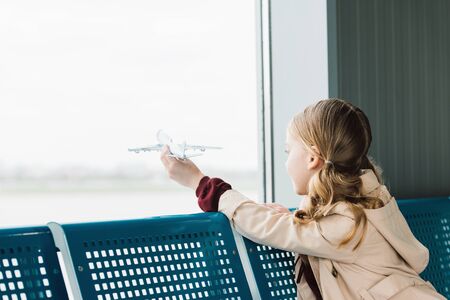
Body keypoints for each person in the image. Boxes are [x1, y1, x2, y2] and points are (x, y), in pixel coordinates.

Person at [159, 99, 446, 300]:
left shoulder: (346, 224)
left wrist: (200, 183)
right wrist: (296, 217)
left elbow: (270, 228)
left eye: (287, 152)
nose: (285, 162)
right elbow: (314, 231)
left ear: (311, 158)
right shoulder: (364, 205)